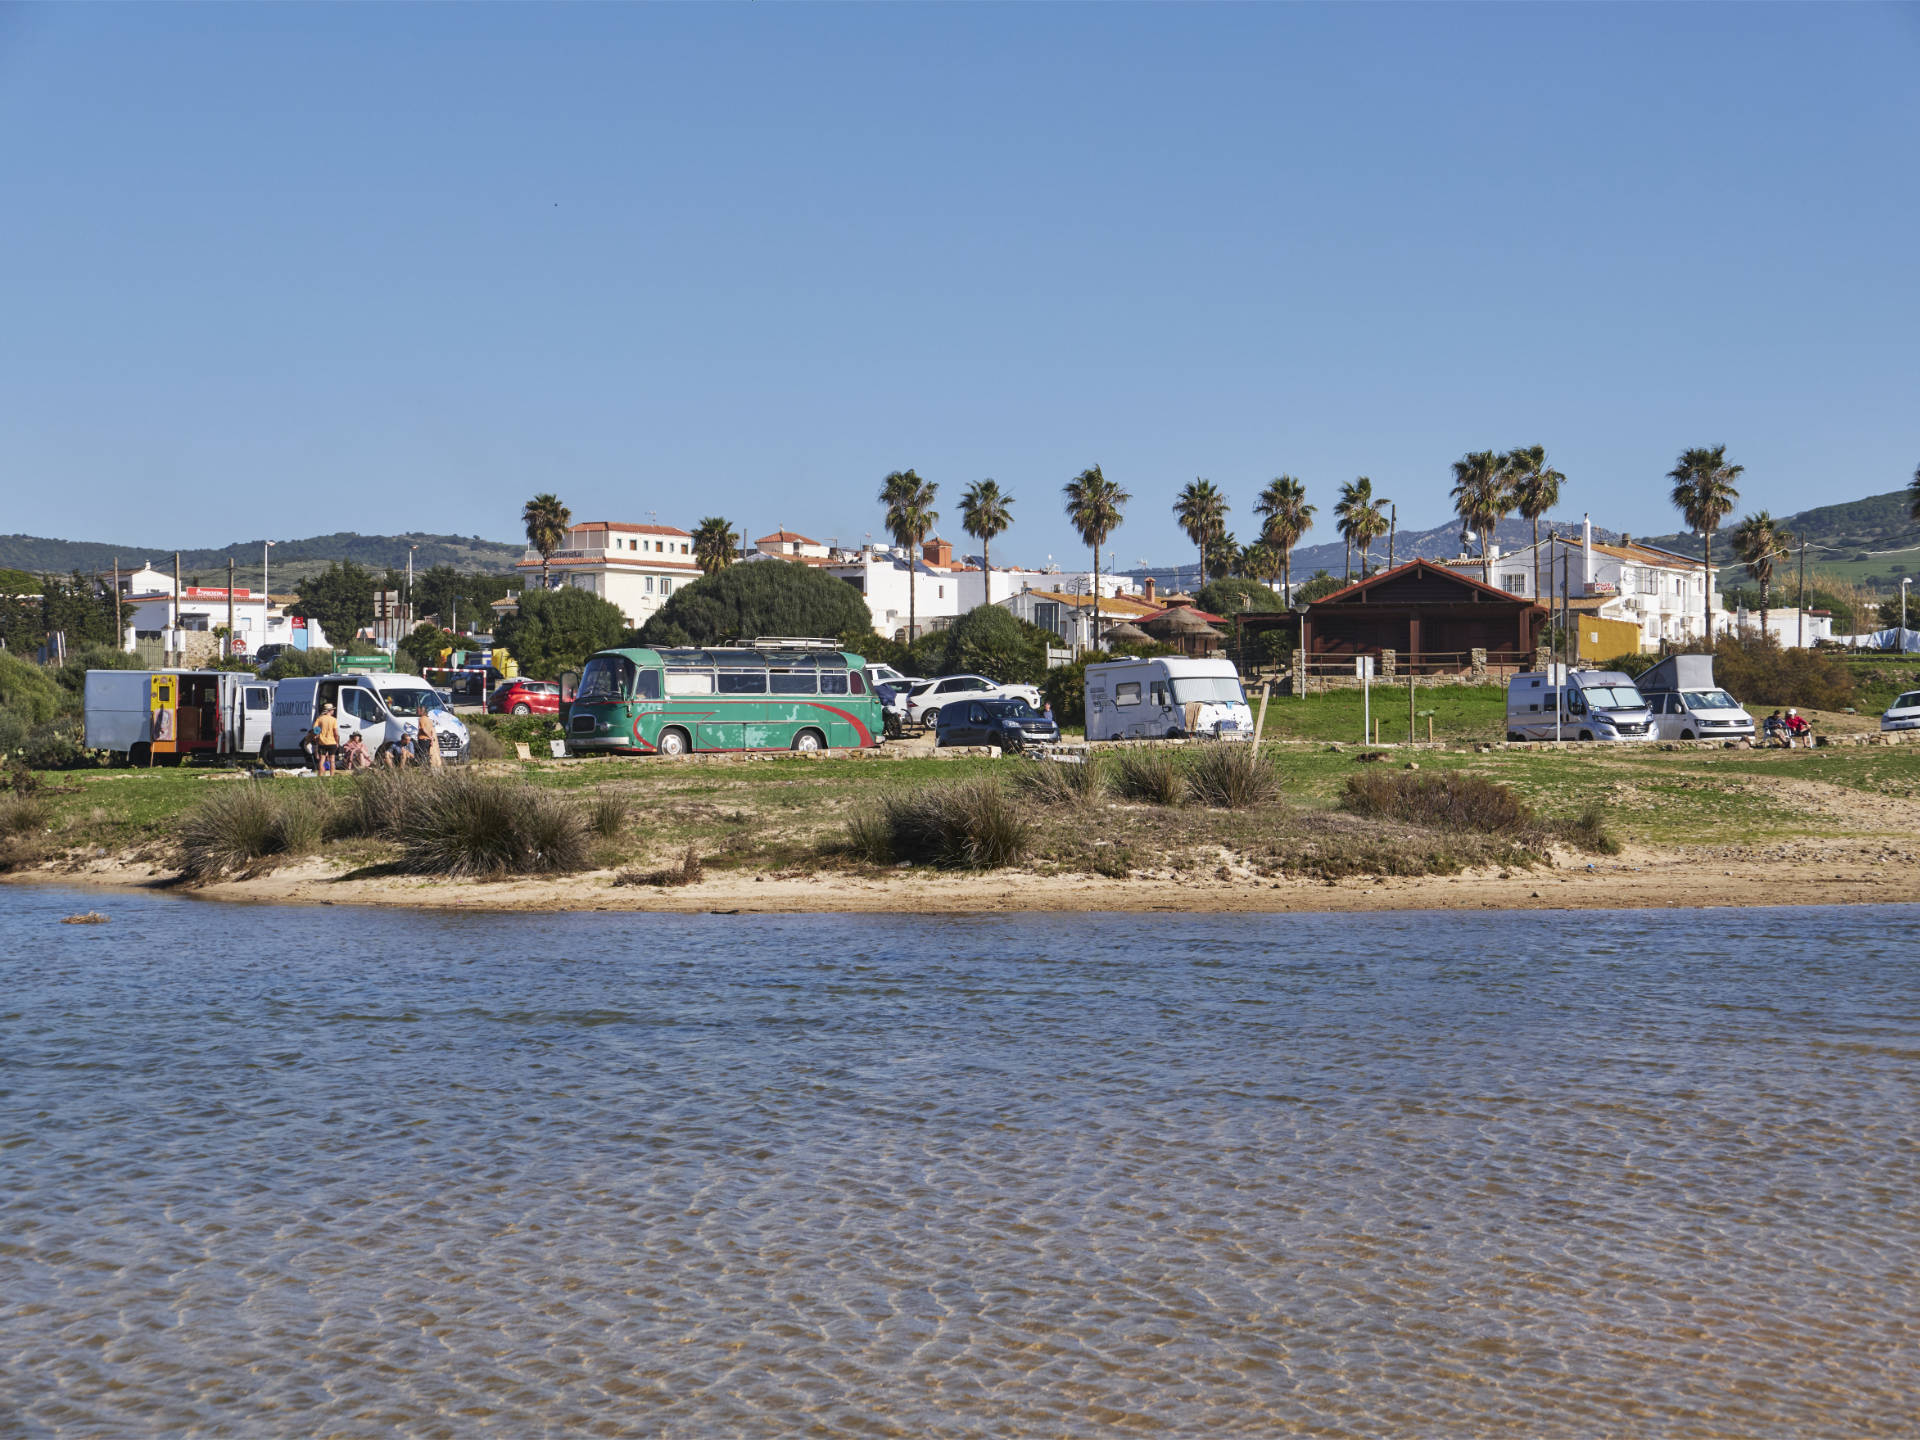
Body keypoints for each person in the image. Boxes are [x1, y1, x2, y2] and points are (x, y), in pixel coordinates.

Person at [310, 703, 340, 775]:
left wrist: (316, 735)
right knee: (332, 760)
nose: (333, 711)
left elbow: (314, 729)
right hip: (332, 742)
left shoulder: (319, 719)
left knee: (322, 760)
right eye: (332, 710)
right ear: (329, 711)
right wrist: (337, 742)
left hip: (322, 743)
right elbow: (336, 733)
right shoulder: (333, 720)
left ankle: (320, 775)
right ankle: (332, 775)